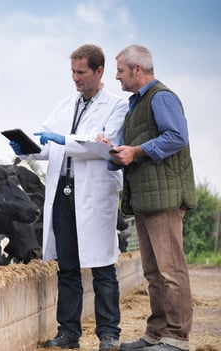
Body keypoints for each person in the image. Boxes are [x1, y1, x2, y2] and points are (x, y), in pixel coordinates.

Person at [10, 44, 127, 351]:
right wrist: (30, 149)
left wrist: (66, 139)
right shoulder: (66, 105)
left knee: (102, 267)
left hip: (94, 194)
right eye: (72, 72)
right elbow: (49, 143)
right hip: (64, 192)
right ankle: (69, 333)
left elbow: (102, 147)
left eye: (81, 72)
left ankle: (109, 334)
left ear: (99, 71)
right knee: (68, 267)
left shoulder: (117, 106)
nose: (75, 78)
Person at [110, 45, 197, 351]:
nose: (116, 76)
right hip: (147, 197)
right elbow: (136, 146)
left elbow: (176, 136)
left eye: (120, 70)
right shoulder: (136, 104)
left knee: (171, 271)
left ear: (137, 69)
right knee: (153, 272)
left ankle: (177, 338)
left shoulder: (161, 97)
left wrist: (136, 151)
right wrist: (115, 149)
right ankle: (156, 333)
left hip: (166, 197)